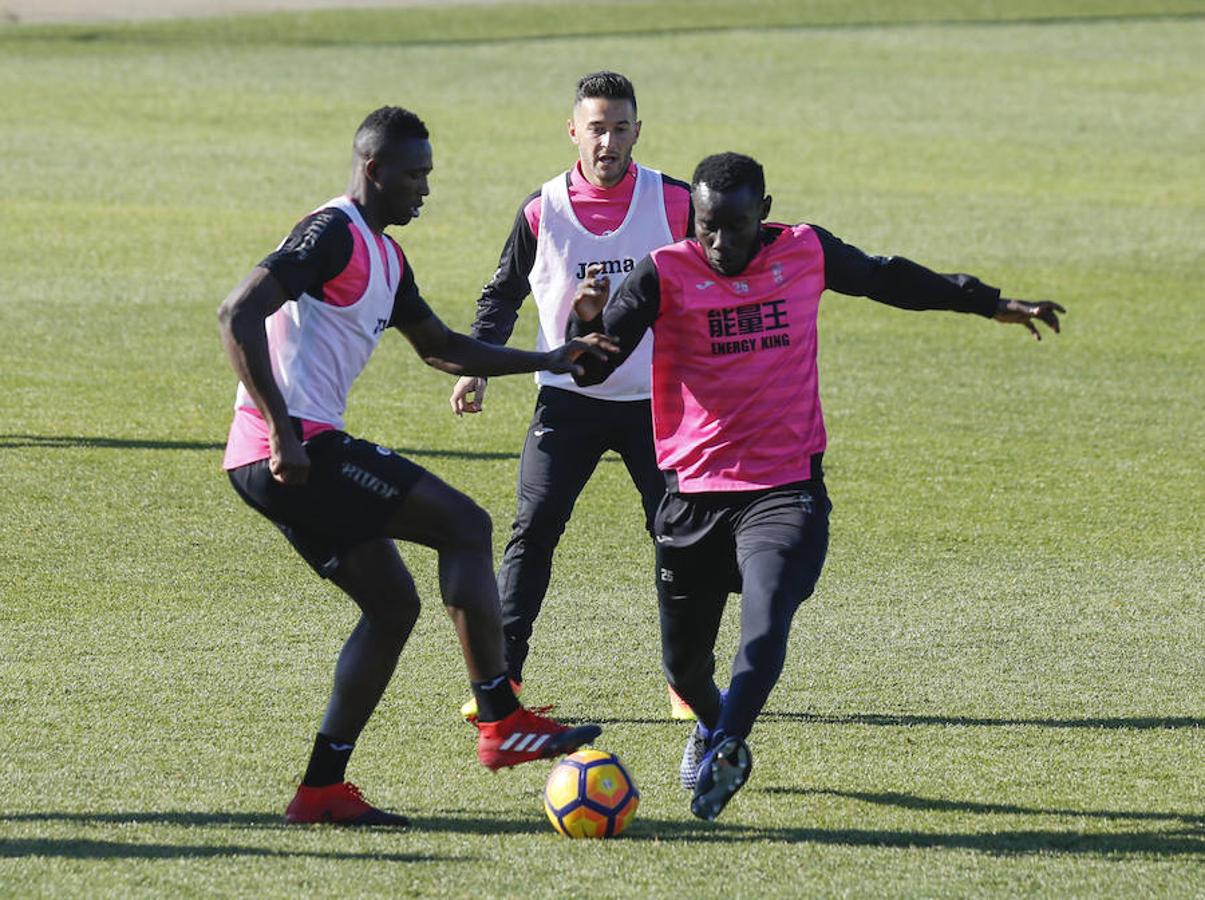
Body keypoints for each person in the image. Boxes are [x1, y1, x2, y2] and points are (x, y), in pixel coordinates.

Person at [569, 151, 1065, 821]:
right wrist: (586, 323)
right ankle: (712, 724)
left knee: (765, 619)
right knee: (685, 671)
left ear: (763, 213)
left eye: (735, 226)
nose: (719, 243)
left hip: (784, 487)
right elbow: (592, 372)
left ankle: (726, 746)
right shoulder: (665, 273)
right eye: (708, 226)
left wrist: (988, 303)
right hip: (691, 496)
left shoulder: (804, 251)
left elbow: (889, 279)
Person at [217, 106, 611, 827]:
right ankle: (498, 716)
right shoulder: (331, 231)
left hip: (289, 456)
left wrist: (545, 359)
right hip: (293, 449)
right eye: (412, 175)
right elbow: (237, 313)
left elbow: (440, 347)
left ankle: (320, 791)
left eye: (427, 174)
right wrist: (282, 432)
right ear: (373, 170)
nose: (424, 189)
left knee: (393, 606)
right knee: (465, 524)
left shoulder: (386, 258)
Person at [448, 71, 697, 721]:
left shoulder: (673, 202)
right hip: (567, 399)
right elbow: (501, 294)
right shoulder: (541, 209)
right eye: (596, 129)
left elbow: (720, 269)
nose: (607, 142)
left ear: (637, 132)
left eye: (620, 129)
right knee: (531, 533)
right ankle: (501, 687)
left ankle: (687, 679)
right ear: (572, 132)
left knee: (680, 541)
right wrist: (475, 365)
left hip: (655, 404)